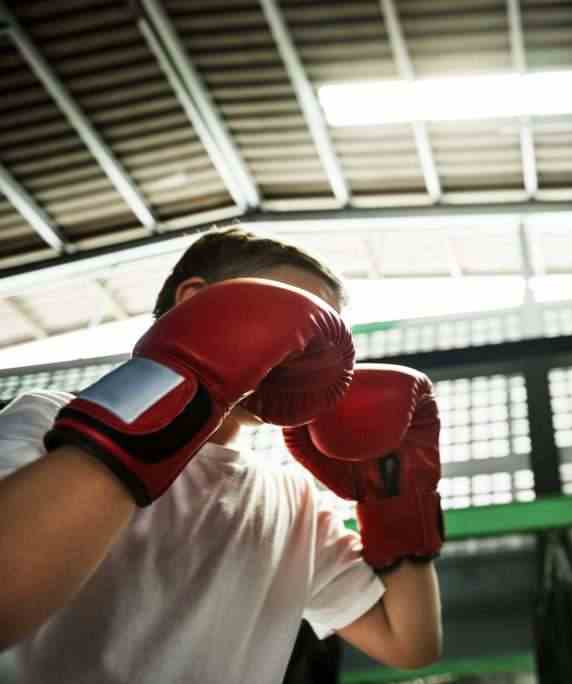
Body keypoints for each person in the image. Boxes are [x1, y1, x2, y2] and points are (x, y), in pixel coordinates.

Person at [0, 227, 443, 683]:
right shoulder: (52, 421)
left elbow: (409, 643)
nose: (309, 353)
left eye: (324, 338)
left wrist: (396, 496)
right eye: (290, 312)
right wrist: (170, 392)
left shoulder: (294, 501)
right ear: (195, 301)